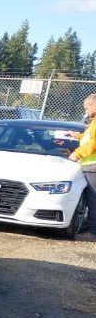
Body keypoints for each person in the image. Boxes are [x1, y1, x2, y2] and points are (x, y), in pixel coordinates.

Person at [68, 93, 96, 241]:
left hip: (93, 166)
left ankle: (93, 233)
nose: (85, 111)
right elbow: (88, 138)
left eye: (87, 108)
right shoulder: (93, 123)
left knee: (93, 200)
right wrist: (76, 136)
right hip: (89, 166)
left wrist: (76, 154)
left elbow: (92, 145)